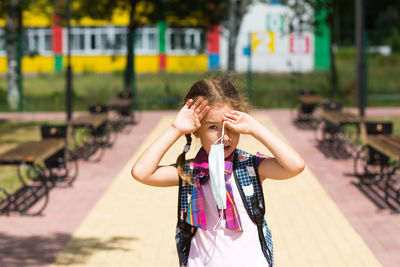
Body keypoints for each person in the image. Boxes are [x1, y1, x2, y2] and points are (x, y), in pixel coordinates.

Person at [131, 78, 305, 267]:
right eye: (213, 127)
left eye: (230, 126)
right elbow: (142, 172)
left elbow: (294, 166)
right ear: (197, 130)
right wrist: (176, 129)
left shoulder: (249, 166)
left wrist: (256, 128)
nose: (224, 136)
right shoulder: (190, 173)